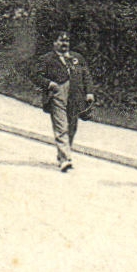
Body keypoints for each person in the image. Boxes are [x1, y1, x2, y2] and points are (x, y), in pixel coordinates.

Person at [36, 32, 93, 172]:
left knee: (72, 127)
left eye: (66, 41)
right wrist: (49, 84)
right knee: (61, 127)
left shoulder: (77, 58)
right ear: (54, 43)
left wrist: (89, 92)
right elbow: (35, 75)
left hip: (75, 95)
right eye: (60, 41)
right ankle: (65, 159)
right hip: (57, 94)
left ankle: (63, 154)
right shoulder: (47, 59)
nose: (64, 44)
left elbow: (86, 75)